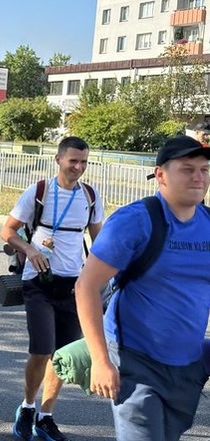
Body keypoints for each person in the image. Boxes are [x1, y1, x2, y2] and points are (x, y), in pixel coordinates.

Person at [75, 135, 210, 441]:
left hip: (187, 365)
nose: (199, 177)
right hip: (135, 359)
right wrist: (100, 360)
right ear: (161, 175)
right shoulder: (136, 221)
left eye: (204, 169)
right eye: (187, 169)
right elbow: (87, 287)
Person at [0, 136, 104, 441]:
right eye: (73, 161)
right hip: (39, 282)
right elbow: (7, 230)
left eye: (83, 161)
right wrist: (29, 249)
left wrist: (107, 275)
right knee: (42, 350)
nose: (78, 167)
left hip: (74, 287)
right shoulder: (39, 192)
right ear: (59, 160)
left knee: (62, 355)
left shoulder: (91, 197)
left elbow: (101, 242)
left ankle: (45, 416)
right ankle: (28, 406)